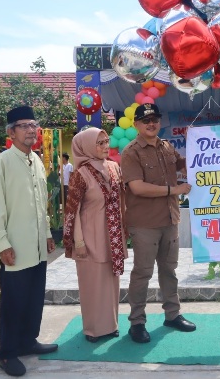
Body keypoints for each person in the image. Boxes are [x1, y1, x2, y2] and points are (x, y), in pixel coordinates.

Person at [0, 106, 58, 377]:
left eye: (33, 125)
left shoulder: (37, 161)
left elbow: (42, 205)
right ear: (11, 132)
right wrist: (2, 242)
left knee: (33, 298)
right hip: (13, 248)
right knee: (13, 302)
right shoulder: (3, 162)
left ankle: (28, 341)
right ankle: (7, 353)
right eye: (24, 125)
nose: (31, 130)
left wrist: (49, 235)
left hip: (37, 247)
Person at [121, 103, 196, 344]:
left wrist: (202, 146)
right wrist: (173, 190)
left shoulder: (167, 146)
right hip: (144, 223)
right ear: (136, 125)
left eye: (155, 119)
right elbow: (137, 187)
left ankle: (172, 315)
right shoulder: (131, 152)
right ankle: (137, 322)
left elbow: (182, 164)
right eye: (145, 121)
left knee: (169, 270)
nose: (151, 124)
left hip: (169, 219)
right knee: (142, 273)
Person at [63, 127, 128, 343]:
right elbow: (72, 211)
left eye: (106, 141)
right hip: (90, 238)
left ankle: (111, 325)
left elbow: (121, 201)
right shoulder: (79, 174)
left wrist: (124, 229)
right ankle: (93, 329)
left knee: (111, 282)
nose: (105, 146)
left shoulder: (114, 167)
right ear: (87, 146)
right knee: (92, 284)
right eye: (99, 143)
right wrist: (78, 242)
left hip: (112, 236)